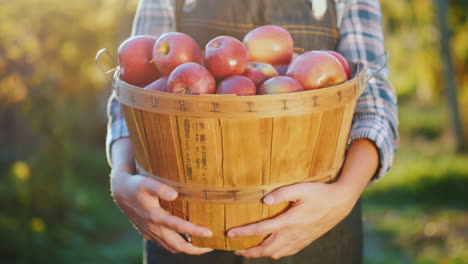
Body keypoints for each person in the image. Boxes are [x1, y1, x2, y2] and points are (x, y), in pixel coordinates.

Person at [106, 0, 399, 263]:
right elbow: (134, 88)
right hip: (182, 225)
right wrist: (121, 175)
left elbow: (373, 102)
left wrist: (344, 194)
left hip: (317, 223)